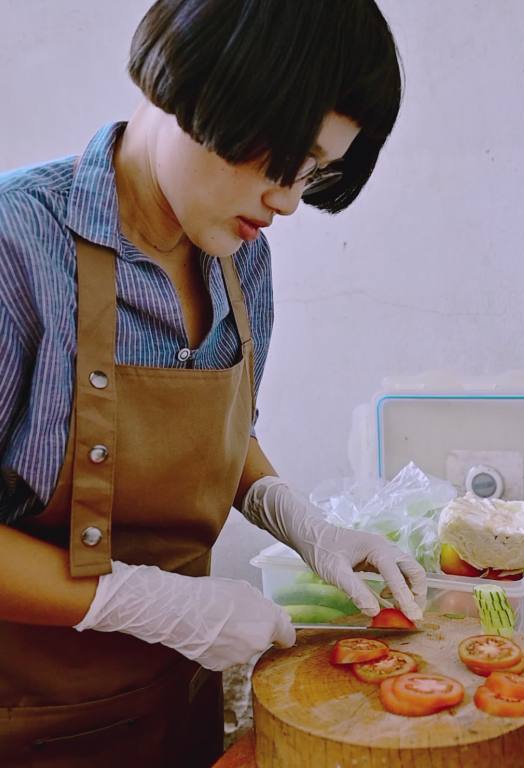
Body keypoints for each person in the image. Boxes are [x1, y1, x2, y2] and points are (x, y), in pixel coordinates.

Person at [0, 1, 427, 766]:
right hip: (31, 723)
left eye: (313, 172)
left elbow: (216, 439)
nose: (289, 200)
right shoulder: (17, 246)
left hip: (176, 709)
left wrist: (300, 520)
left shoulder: (241, 259)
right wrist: (145, 602)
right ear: (191, 88)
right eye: (277, 161)